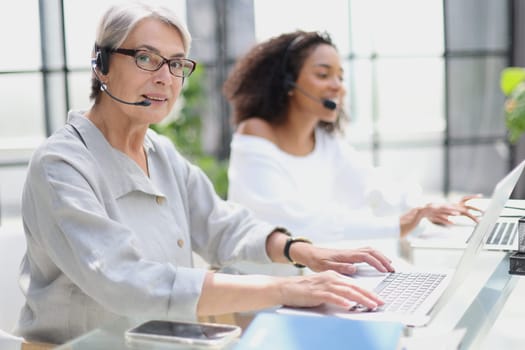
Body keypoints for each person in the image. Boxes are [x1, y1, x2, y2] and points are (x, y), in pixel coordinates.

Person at [15, 4, 395, 345]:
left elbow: (222, 225)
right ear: (102, 65)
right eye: (147, 58)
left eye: (177, 63)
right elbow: (124, 280)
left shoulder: (160, 152)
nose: (166, 77)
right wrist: (286, 289)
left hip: (161, 341)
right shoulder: (61, 165)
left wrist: (303, 251)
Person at [224, 30, 481, 247]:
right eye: (323, 75)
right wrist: (396, 225)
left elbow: (373, 187)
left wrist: (430, 208)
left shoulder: (325, 142)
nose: (337, 86)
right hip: (264, 282)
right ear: (289, 82)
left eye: (340, 76)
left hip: (310, 276)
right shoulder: (256, 133)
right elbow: (294, 223)